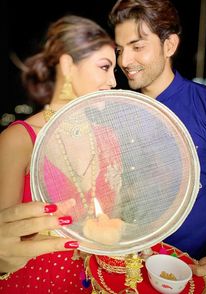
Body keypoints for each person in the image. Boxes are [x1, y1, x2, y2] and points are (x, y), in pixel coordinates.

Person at [109, 0, 206, 293]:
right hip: (131, 271)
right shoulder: (118, 110)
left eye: (137, 46)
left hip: (197, 272)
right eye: (119, 49)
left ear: (169, 45)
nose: (124, 61)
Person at [0, 15, 117, 293]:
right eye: (104, 67)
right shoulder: (19, 139)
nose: (113, 81)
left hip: (96, 281)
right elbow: (6, 238)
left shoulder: (108, 136)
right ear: (67, 65)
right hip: (35, 282)